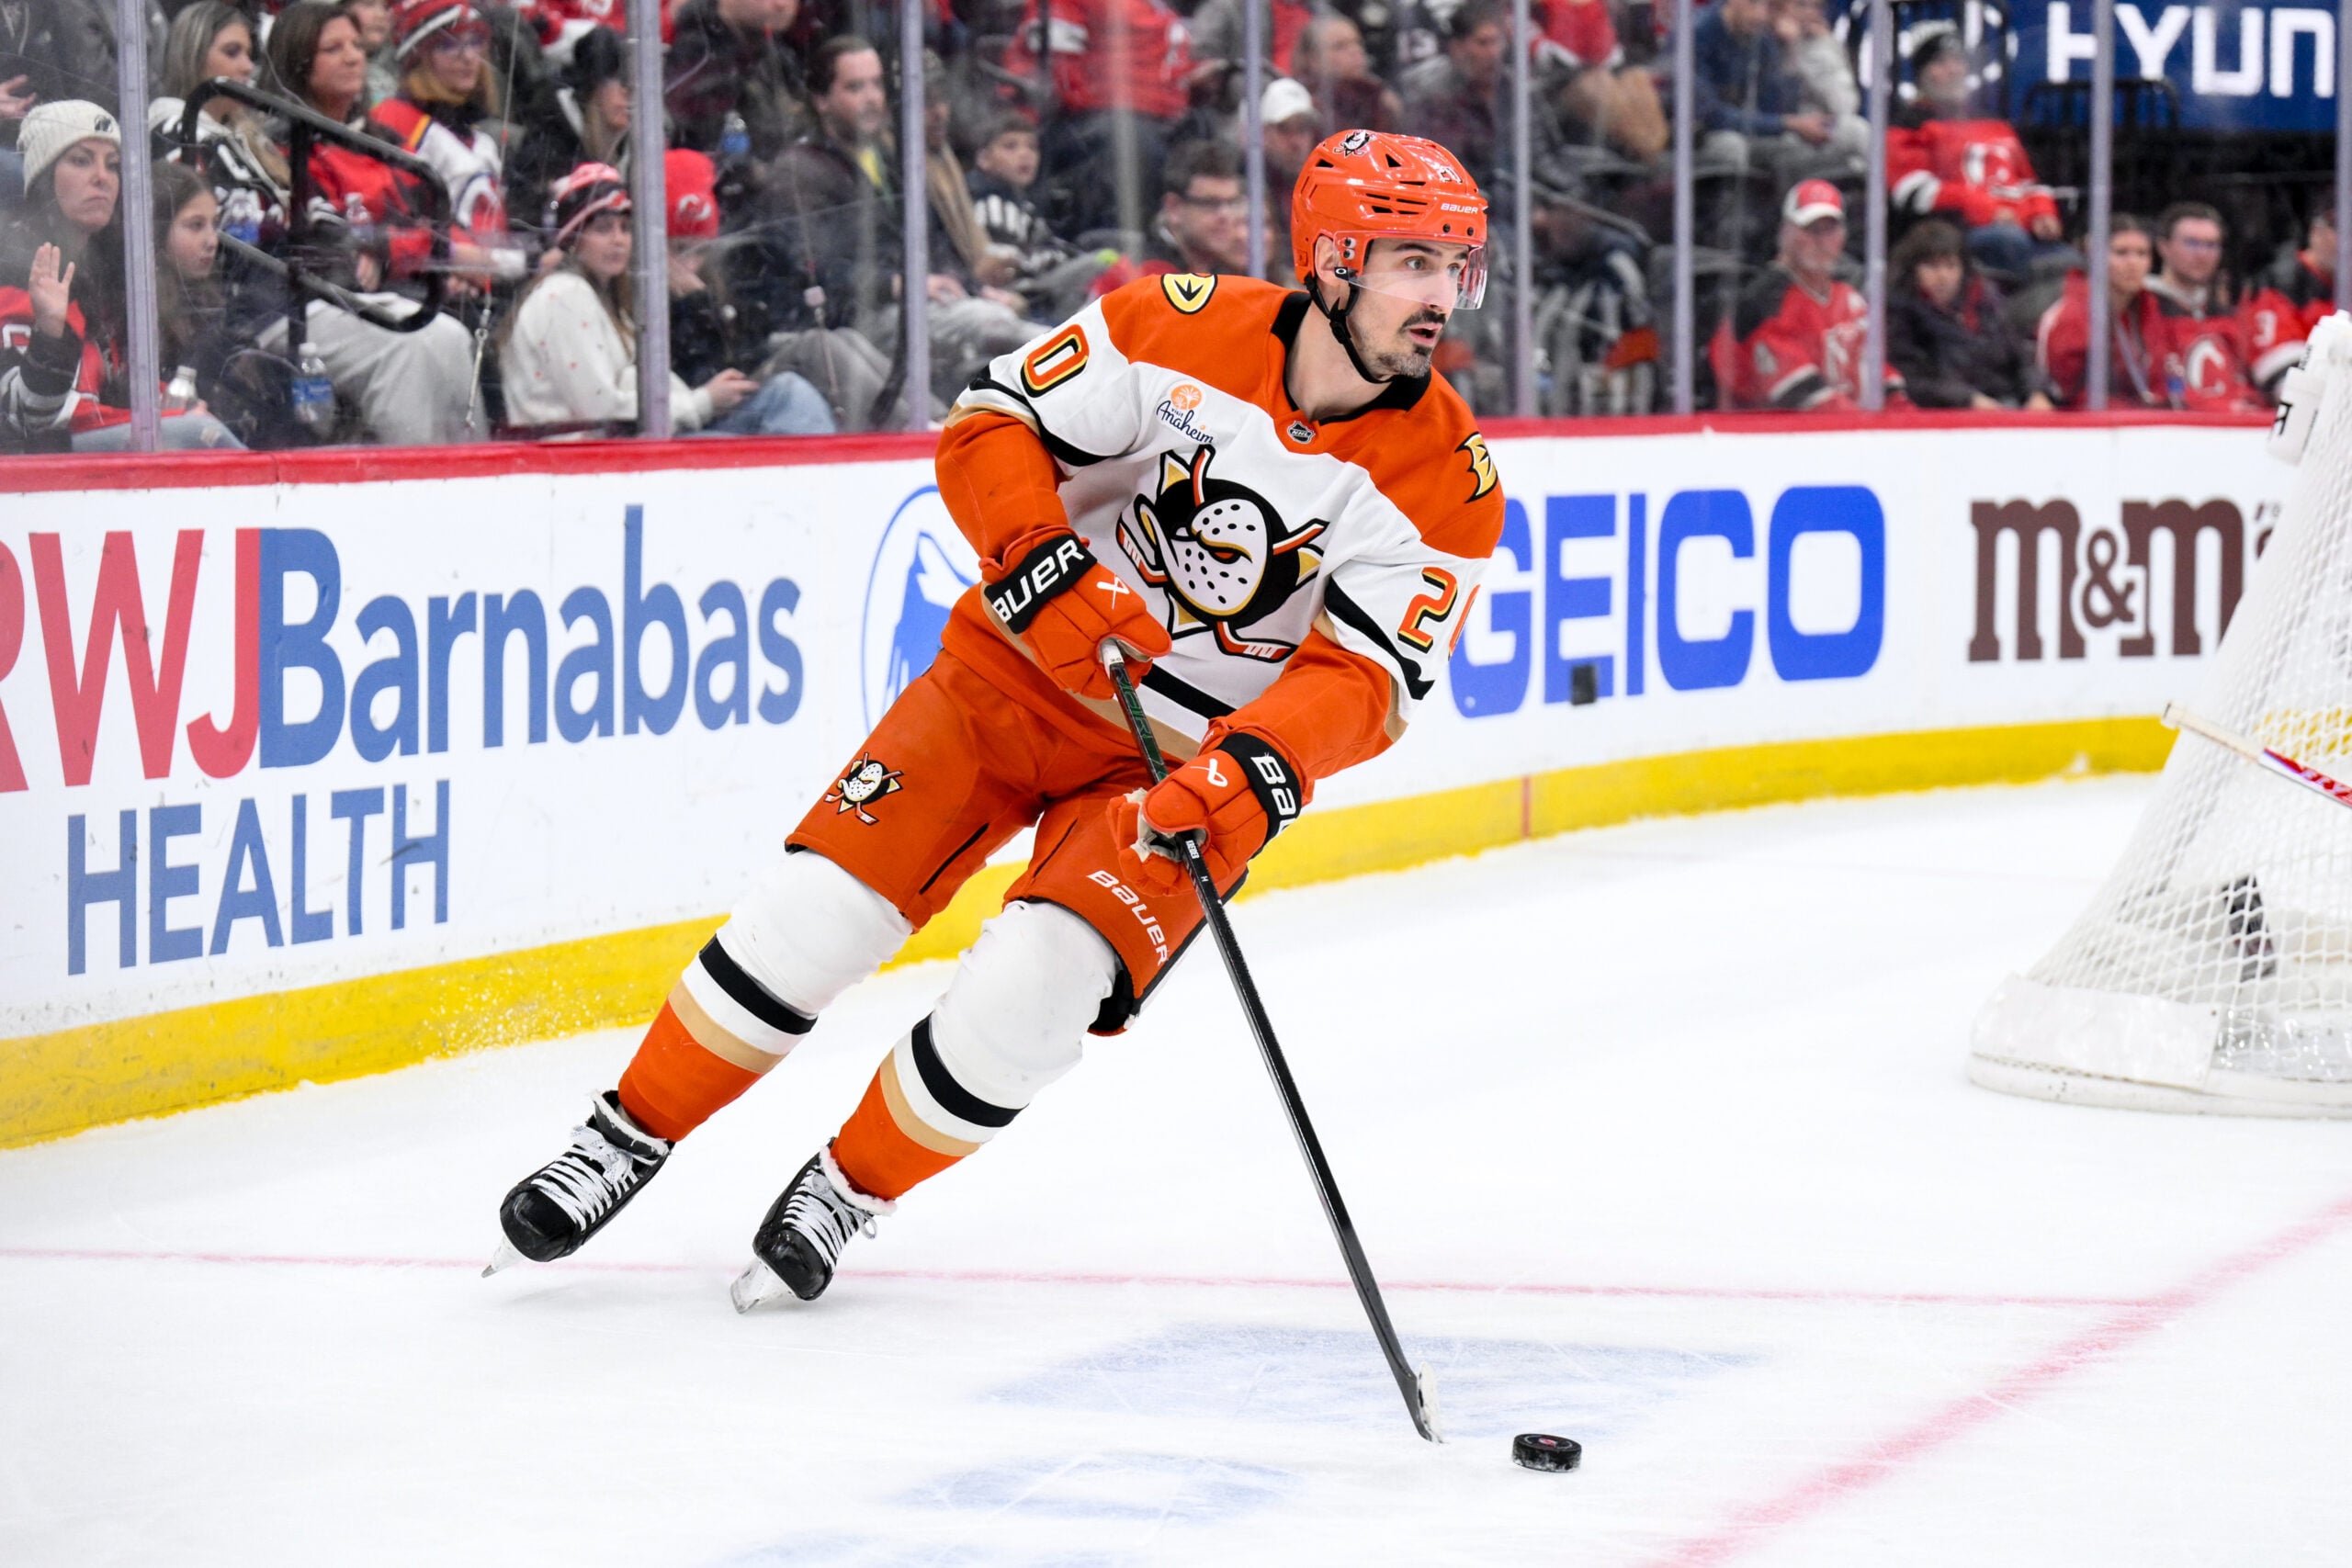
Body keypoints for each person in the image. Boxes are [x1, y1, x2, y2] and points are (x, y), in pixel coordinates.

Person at [485, 130, 1506, 1311]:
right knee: (818, 912)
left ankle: (847, 1187)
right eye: (1413, 264)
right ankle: (627, 1134)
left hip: (1180, 766)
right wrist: (1043, 560)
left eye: (1455, 267)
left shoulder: (1451, 477)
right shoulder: (1172, 322)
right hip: (1012, 680)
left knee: (1040, 989)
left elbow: (1366, 681)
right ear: (1331, 259)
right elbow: (986, 426)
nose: (1442, 296)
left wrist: (1246, 775)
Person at [257, 1, 487, 445]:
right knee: (410, 341)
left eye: (358, 45)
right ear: (299, 61)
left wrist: (412, 254)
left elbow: (430, 228)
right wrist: (413, 252)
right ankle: (409, 485)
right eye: (334, 48)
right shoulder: (281, 147)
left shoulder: (385, 144)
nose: (353, 56)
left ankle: (470, 480)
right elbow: (334, 245)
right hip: (301, 305)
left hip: (382, 295)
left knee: (452, 337)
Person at [499, 162, 835, 435]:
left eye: (625, 228)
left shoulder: (605, 298)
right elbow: (601, 410)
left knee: (786, 393)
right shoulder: (565, 296)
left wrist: (700, 397)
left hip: (625, 445)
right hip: (581, 464)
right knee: (753, 426)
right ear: (573, 239)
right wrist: (702, 401)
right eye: (603, 229)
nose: (618, 240)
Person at [0, 102, 243, 452]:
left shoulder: (108, 274)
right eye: (81, 160)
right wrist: (51, 335)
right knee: (200, 437)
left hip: (96, 461)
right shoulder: (14, 270)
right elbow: (24, 418)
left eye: (112, 165)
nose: (102, 177)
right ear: (43, 174)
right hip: (38, 472)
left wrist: (174, 405)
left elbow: (117, 386)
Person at [1710, 179, 1905, 410]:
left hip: (1845, 431)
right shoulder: (1766, 302)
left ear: (1842, 236)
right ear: (1785, 233)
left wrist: (1907, 420)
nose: (1820, 241)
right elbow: (1807, 401)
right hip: (1769, 437)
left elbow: (1878, 375)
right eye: (1810, 229)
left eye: (1829, 229)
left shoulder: (1850, 297)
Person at [1888, 28, 2064, 281]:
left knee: (2071, 261)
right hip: (1957, 232)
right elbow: (1913, 192)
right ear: (1920, 74)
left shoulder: (1994, 122)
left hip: (2017, 227)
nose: (1953, 69)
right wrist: (1988, 210)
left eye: (1958, 60)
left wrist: (2043, 213)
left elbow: (2027, 182)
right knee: (2007, 241)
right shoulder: (1907, 124)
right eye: (1940, 62)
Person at [1691, 0, 1864, 181]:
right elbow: (1712, 116)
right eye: (1753, 3)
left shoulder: (1760, 34)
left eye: (1766, 6)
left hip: (1753, 131)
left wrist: (1791, 47)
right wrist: (1789, 124)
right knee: (1730, 146)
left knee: (1850, 133)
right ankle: (1731, 209)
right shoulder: (1698, 33)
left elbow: (1779, 108)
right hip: (1701, 138)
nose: (1759, 14)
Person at [1885, 219, 2045, 410]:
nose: (1942, 276)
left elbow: (2021, 356)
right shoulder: (1899, 316)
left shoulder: (1986, 304)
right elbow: (1912, 378)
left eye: (1951, 266)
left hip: (2006, 405)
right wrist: (1968, 400)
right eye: (1932, 266)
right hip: (1946, 415)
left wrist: (2036, 392)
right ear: (1913, 270)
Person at [506, 22, 631, 242]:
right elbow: (530, 220)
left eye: (635, 82)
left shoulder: (644, 151)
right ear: (590, 88)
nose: (629, 92)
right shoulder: (546, 152)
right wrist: (558, 199)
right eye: (618, 79)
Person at [1088, 139, 1252, 296]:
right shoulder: (1136, 276)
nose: (1225, 216)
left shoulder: (1232, 269)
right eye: (1210, 203)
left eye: (1232, 203)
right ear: (1173, 207)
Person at [2035, 215, 2167, 409]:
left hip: (2142, 421)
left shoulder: (2150, 308)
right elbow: (2063, 394)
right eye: (2121, 253)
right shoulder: (2070, 315)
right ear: (2095, 255)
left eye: (2142, 254)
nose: (2133, 263)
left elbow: (2159, 377)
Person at [2241, 200, 2336, 399]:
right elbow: (2280, 376)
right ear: (2316, 232)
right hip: (2300, 419)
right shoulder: (2278, 284)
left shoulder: (2341, 283)